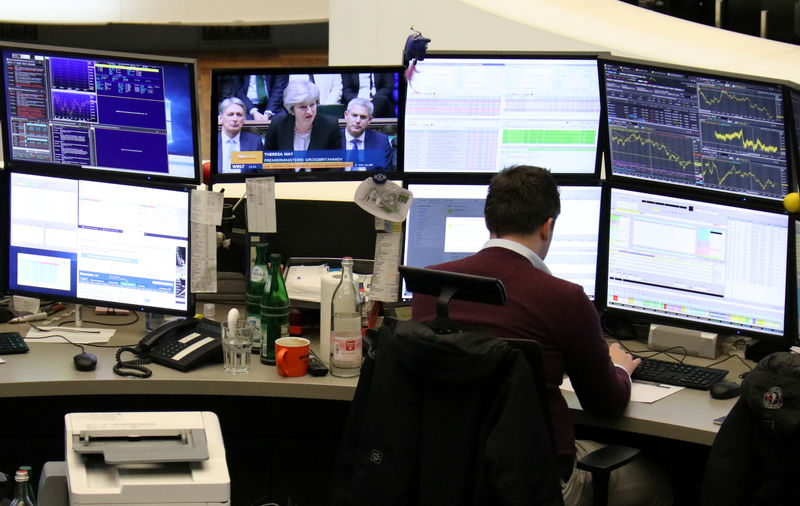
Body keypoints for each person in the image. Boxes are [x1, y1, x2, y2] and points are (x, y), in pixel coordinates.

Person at [411, 165, 672, 506]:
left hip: (446, 477)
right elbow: (605, 404)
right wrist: (619, 368)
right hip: (535, 482)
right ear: (547, 227)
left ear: (489, 222)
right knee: (660, 481)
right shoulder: (564, 298)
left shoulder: (431, 284)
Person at [263, 80, 342, 152]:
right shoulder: (278, 125)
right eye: (303, 107)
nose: (309, 111)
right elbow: (267, 162)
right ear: (292, 109)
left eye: (312, 105)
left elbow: (337, 164)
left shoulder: (330, 126)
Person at [341, 97, 393, 170]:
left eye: (363, 117)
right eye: (354, 115)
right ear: (346, 115)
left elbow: (384, 174)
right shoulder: (332, 139)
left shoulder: (381, 141)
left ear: (370, 120)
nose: (358, 120)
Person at [217, 97, 263, 173]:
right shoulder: (211, 142)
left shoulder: (254, 141)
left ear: (244, 119)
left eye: (239, 115)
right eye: (230, 115)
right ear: (220, 118)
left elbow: (260, 173)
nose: (235, 119)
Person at [218, 74, 288, 120]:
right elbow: (238, 90)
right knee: (236, 118)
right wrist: (253, 111)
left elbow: (279, 88)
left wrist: (268, 112)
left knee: (283, 118)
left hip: (271, 106)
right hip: (246, 106)